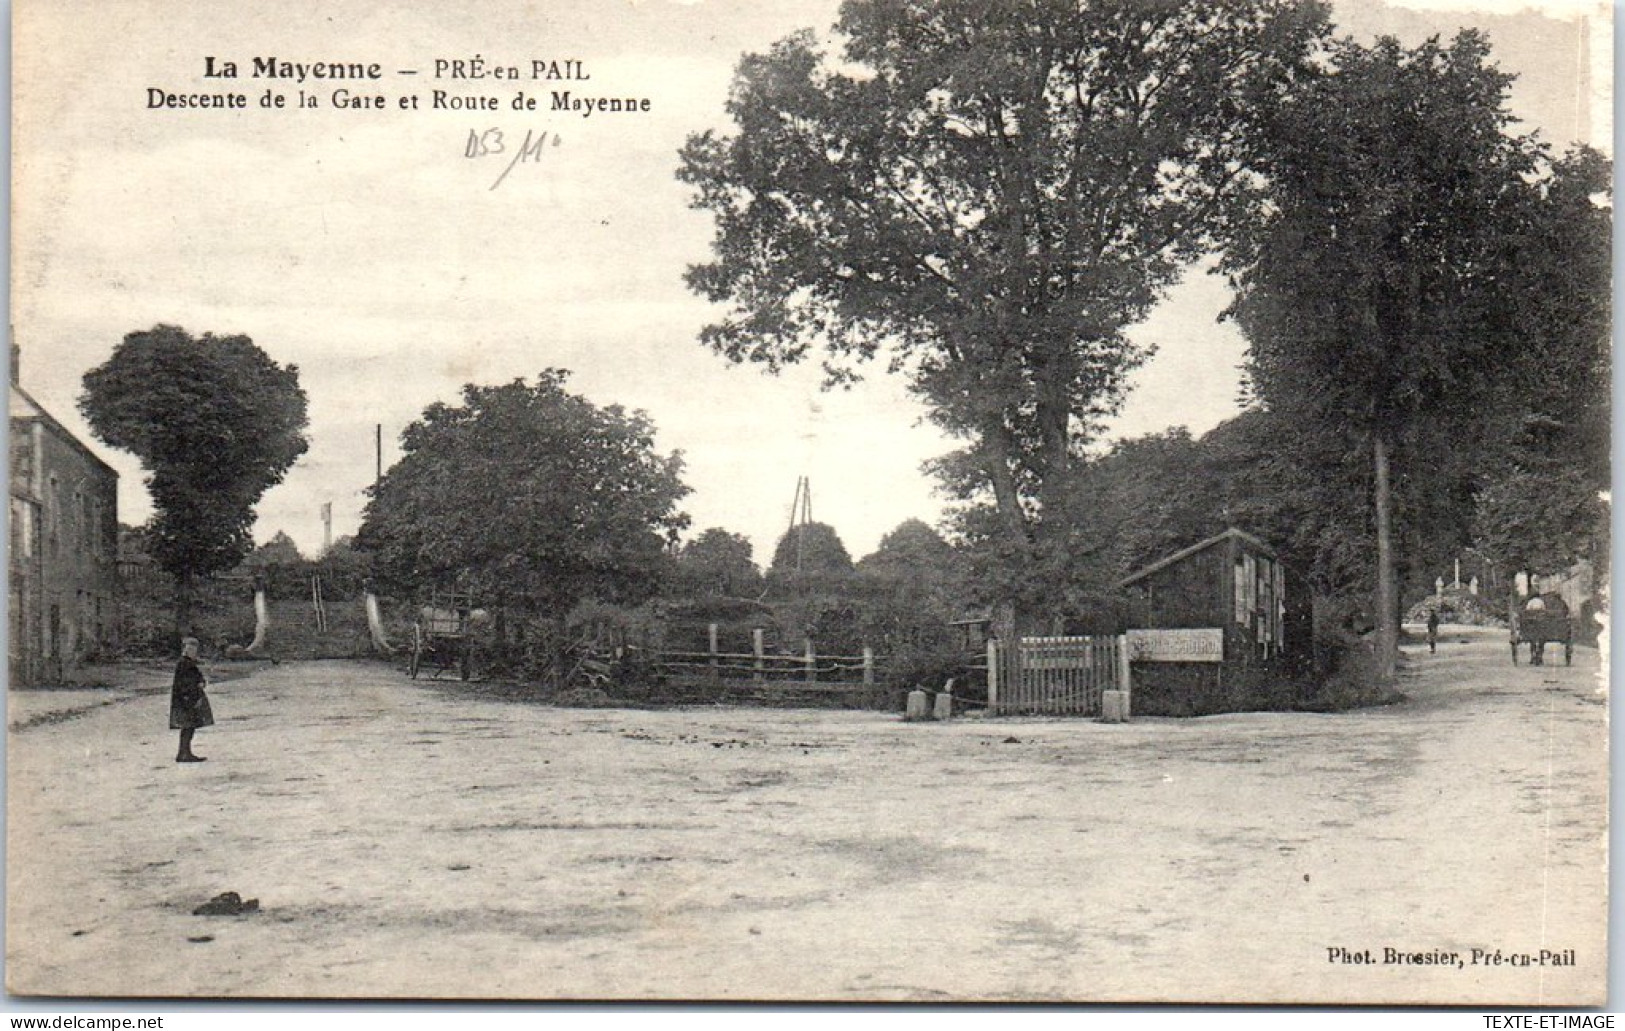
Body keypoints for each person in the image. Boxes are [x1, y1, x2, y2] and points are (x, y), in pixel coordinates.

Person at [170, 637, 214, 762]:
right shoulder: (185, 663)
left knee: (189, 726)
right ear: (185, 649)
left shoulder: (187, 663)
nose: (193, 651)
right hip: (187, 699)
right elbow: (186, 683)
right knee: (188, 726)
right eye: (190, 649)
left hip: (187, 698)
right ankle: (184, 753)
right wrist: (195, 690)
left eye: (194, 649)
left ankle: (184, 752)